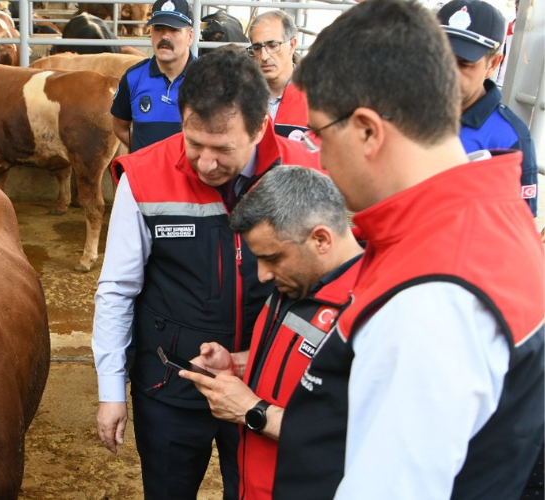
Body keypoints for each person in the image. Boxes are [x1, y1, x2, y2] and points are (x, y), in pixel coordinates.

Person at [268, 0, 545, 499]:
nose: (320, 158)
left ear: (368, 131)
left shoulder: (430, 299)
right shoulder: (485, 213)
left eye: (320, 135)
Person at [93, 50, 318, 500]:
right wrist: (111, 389)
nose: (206, 164)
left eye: (223, 149)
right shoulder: (143, 176)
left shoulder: (304, 171)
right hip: (170, 382)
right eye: (194, 143)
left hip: (266, 386)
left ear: (259, 128)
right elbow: (117, 288)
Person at [178, 166, 363, 500]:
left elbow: (360, 437)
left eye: (272, 258)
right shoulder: (294, 283)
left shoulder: (373, 313)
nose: (262, 275)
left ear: (321, 239)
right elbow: (307, 363)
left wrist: (253, 411)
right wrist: (237, 364)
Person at [436, 0, 538, 216]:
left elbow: (517, 227)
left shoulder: (510, 138)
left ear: (493, 64)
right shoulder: (406, 113)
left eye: (464, 64)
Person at [111, 0, 196, 154]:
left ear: (190, 37)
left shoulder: (209, 79)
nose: (165, 36)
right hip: (147, 175)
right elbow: (119, 125)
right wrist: (144, 151)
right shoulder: (133, 78)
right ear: (151, 34)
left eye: (174, 30)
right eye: (158, 28)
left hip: (190, 176)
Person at [247, 11, 309, 140]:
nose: (264, 56)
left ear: (292, 45)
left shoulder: (318, 96)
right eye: (257, 48)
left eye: (273, 45)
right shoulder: (241, 95)